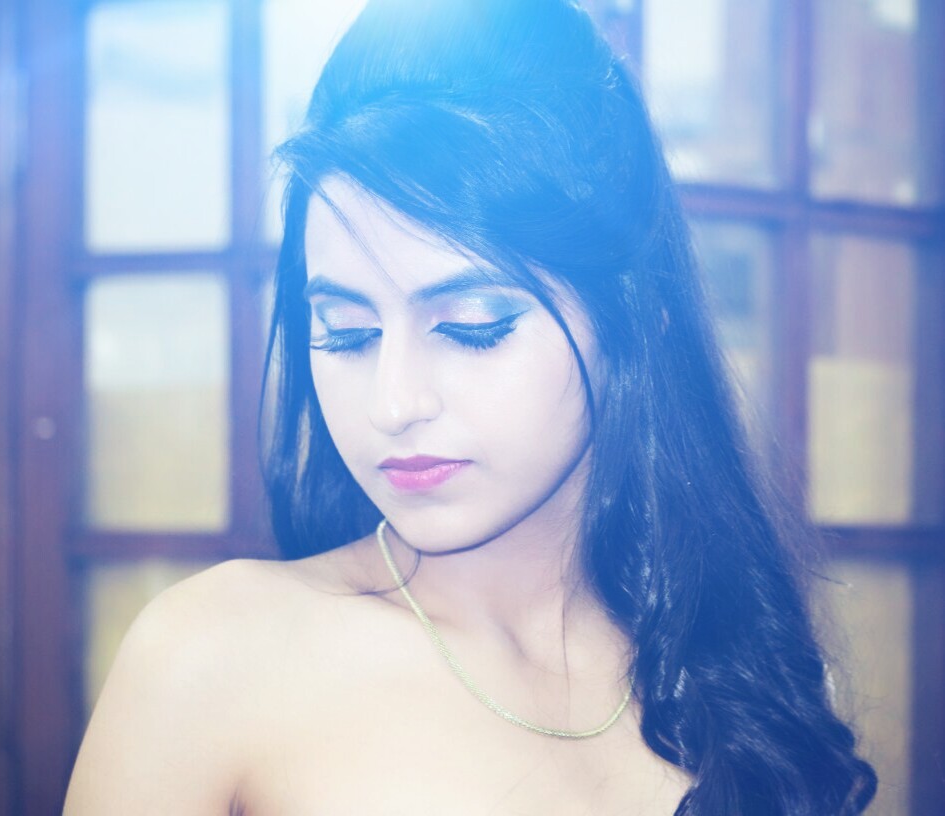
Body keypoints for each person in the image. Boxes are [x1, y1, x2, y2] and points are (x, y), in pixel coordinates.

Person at [65, 0, 877, 813]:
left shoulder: (738, 676)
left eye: (472, 327)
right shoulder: (215, 660)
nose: (393, 403)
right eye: (346, 334)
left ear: (636, 321)